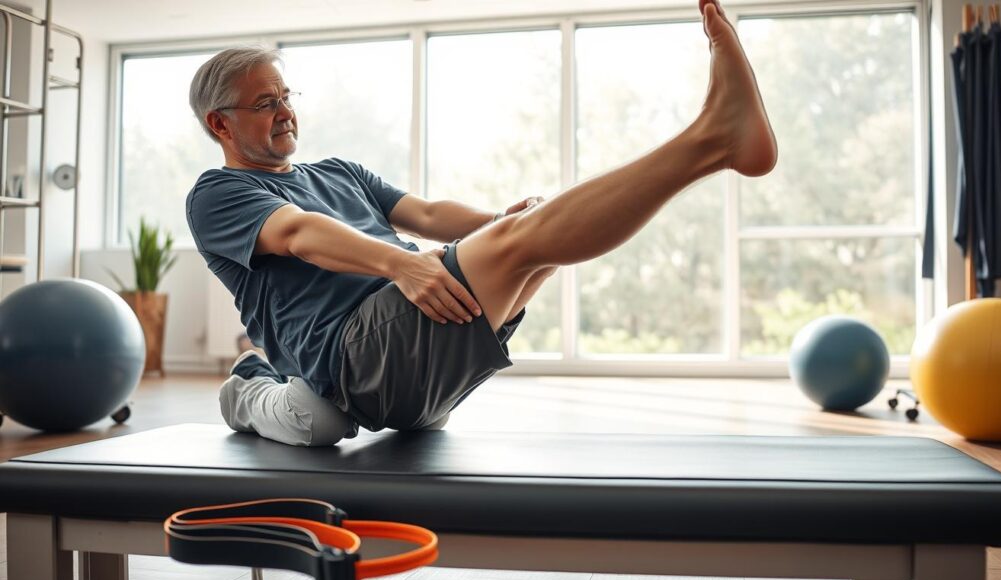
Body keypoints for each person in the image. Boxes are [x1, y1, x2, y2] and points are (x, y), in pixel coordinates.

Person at [186, 0, 776, 447]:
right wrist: (402, 262)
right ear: (221, 124)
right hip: (359, 354)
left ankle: (718, 142)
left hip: (419, 361)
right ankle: (713, 140)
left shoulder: (339, 171)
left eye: (286, 95)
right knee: (524, 245)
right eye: (265, 103)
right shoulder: (219, 193)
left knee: (539, 244)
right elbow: (297, 234)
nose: (286, 111)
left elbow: (428, 214)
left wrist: (497, 220)